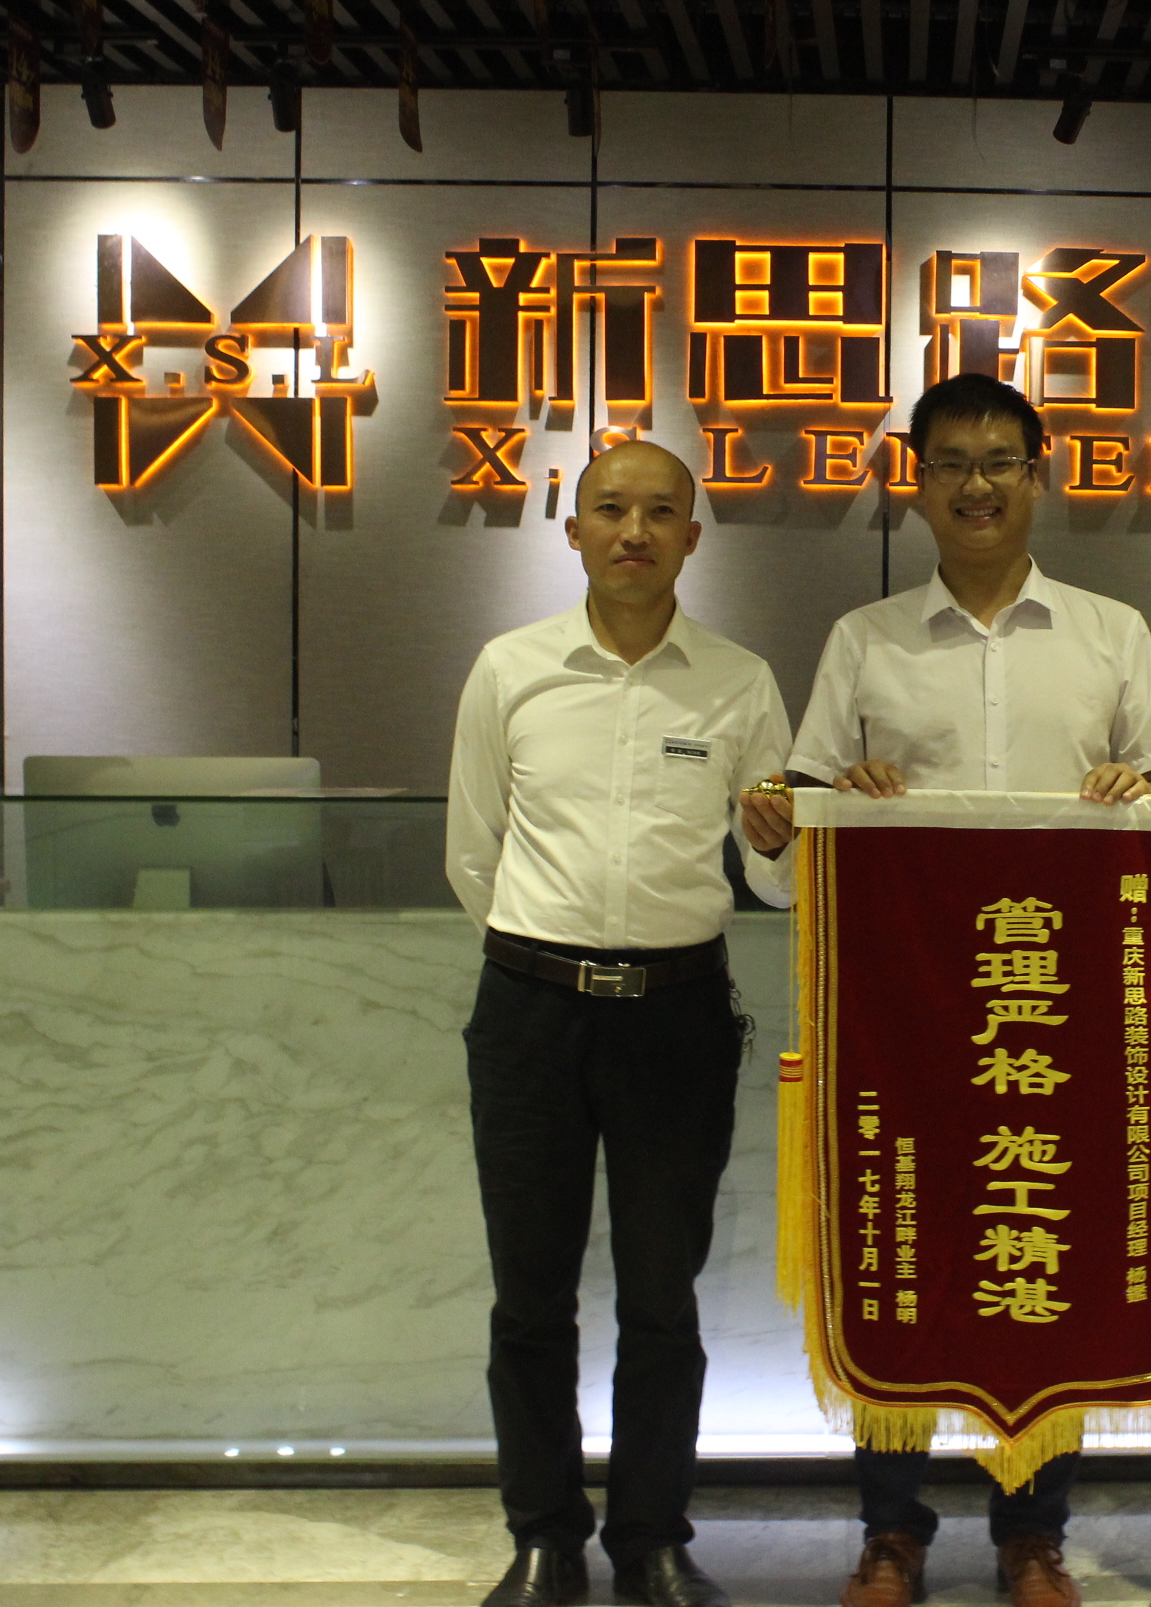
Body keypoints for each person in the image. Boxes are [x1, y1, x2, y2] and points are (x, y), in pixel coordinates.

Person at [786, 372, 1151, 1607]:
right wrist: (843, 793)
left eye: (999, 461)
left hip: (1057, 1013)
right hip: (905, 1016)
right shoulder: (864, 639)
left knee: (1042, 1244)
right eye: (950, 462)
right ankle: (892, 1528)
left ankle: (1033, 1530)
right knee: (896, 1241)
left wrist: (1134, 790)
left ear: (1038, 476)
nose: (976, 484)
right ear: (914, 483)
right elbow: (802, 809)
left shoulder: (1113, 633)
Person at [446, 440, 800, 1607]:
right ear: (574, 530)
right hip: (530, 1015)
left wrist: (778, 841)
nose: (633, 531)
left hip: (676, 1019)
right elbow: (473, 854)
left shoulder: (740, 681)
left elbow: (779, 878)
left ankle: (650, 1537)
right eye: (610, 509)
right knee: (529, 1294)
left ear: (692, 537)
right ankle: (543, 1534)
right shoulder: (512, 669)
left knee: (661, 1297)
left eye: (659, 513)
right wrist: (547, 954)